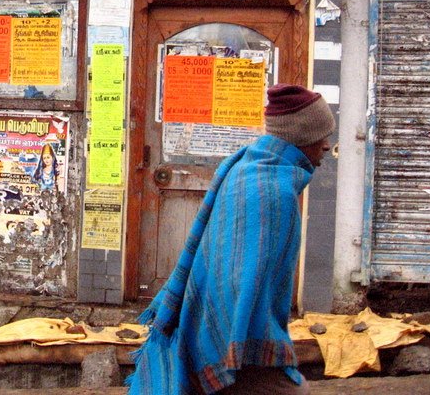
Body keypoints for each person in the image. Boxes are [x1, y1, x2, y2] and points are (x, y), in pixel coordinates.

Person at [127, 84, 335, 395]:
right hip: (228, 343)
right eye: (322, 137)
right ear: (303, 137)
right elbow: (244, 281)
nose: (327, 147)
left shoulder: (247, 168)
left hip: (204, 327)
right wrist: (238, 346)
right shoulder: (273, 191)